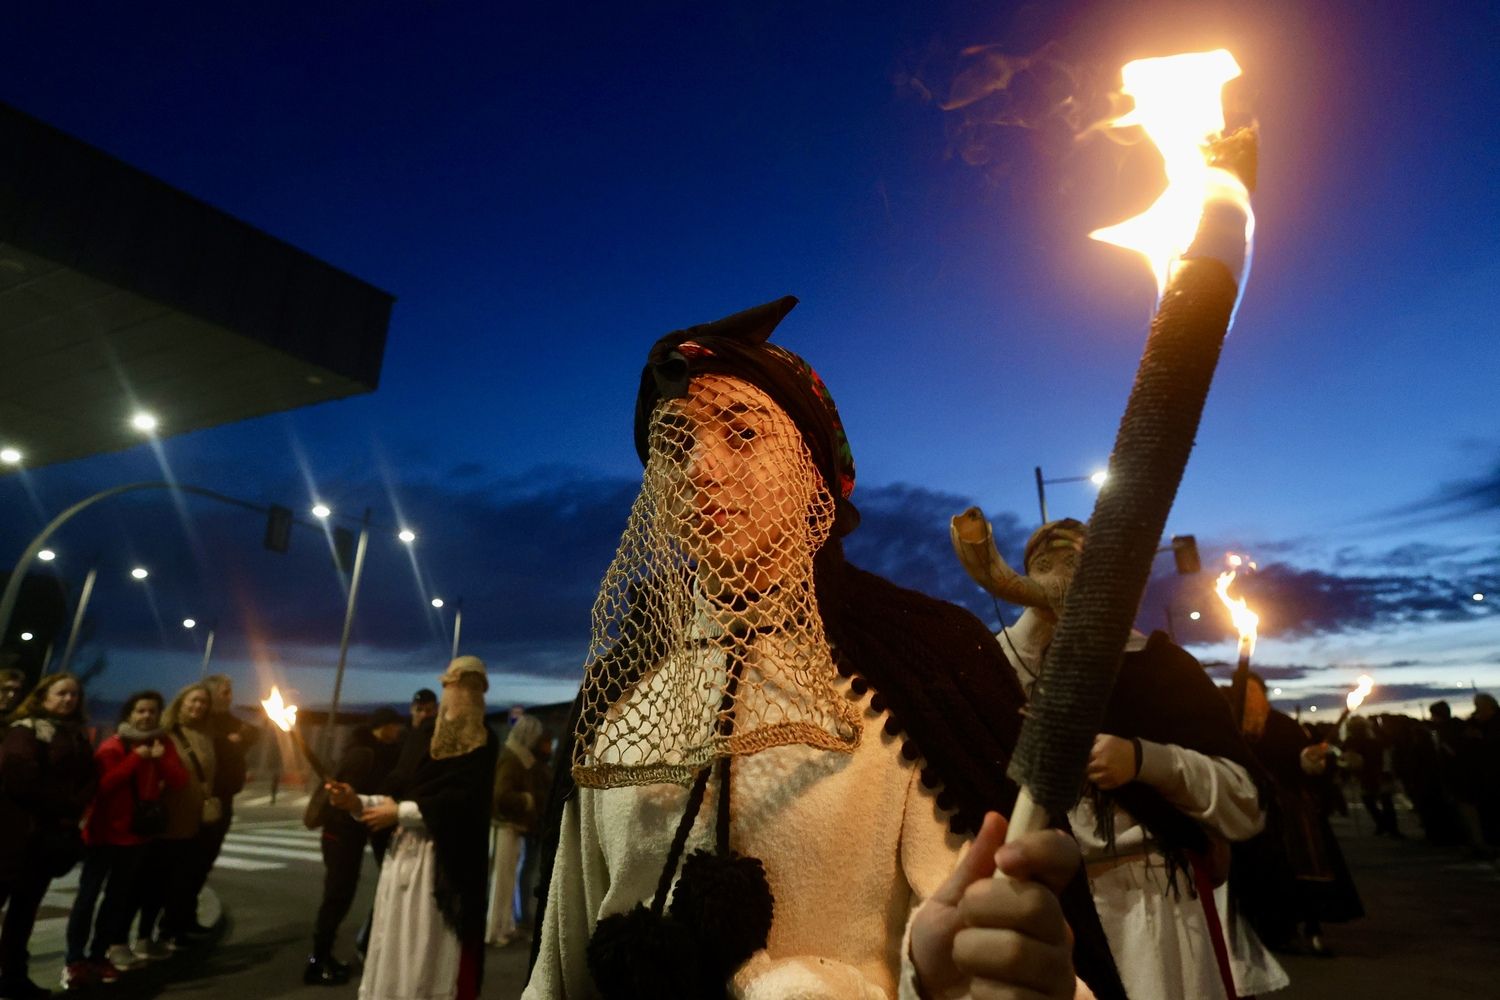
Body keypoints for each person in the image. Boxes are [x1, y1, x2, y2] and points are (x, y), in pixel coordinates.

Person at [525, 297, 1125, 1000]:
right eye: (676, 445)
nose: (700, 469)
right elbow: (559, 960)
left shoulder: (923, 662)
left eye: (742, 434)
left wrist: (934, 974)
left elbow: (977, 950)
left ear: (816, 472)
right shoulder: (619, 690)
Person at [956, 515, 1286, 999]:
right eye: (1047, 564)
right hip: (1044, 910)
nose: (1066, 574)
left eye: (1081, 562)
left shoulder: (1160, 666)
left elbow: (1245, 799)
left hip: (1159, 909)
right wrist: (1039, 613)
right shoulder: (997, 668)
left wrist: (1145, 760)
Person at [327, 657, 499, 1000]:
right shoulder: (422, 736)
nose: (462, 693)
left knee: (429, 949)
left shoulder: (484, 742)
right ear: (445, 686)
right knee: (393, 943)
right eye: (455, 684)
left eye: (472, 686)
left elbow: (464, 804)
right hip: (404, 856)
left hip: (443, 864)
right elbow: (396, 791)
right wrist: (357, 802)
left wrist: (400, 813)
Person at [63, 690, 190, 989]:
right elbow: (103, 786)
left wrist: (161, 760)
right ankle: (74, 960)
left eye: (152, 711)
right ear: (129, 714)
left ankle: (99, 955)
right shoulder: (113, 745)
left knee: (116, 902)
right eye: (141, 711)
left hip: (135, 837)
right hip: (103, 835)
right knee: (87, 899)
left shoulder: (162, 744)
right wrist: (137, 758)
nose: (147, 716)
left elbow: (179, 781)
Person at [1233, 672, 1363, 956]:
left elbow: (1300, 758)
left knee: (1300, 867)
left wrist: (1309, 760)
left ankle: (1310, 925)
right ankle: (1272, 928)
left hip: (1289, 811)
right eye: (1243, 692)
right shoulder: (1230, 726)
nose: (1249, 699)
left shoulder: (1281, 725)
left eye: (1254, 693)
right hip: (1249, 809)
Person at [0, 673, 97, 1000]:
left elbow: (89, 778)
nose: (68, 700)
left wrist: (74, 806)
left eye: (74, 694)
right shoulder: (26, 730)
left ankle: (13, 977)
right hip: (13, 836)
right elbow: (19, 777)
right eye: (61, 693)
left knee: (24, 913)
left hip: (47, 841)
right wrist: (65, 804)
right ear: (43, 696)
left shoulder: (78, 737)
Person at [305, 707, 406, 986]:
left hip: (354, 833)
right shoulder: (364, 754)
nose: (399, 731)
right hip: (341, 834)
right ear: (383, 726)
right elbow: (348, 800)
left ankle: (325, 955)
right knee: (337, 896)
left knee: (341, 895)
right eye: (396, 725)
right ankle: (317, 961)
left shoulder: (379, 751)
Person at [135, 683, 215, 954]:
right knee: (155, 884)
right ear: (181, 702)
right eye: (193, 701)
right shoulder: (167, 734)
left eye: (203, 702)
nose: (198, 706)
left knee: (179, 882)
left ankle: (170, 931)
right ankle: (144, 937)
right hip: (167, 819)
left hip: (191, 822)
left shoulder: (205, 735)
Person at [487, 714, 547, 947]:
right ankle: (495, 930)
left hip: (510, 826)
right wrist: (528, 800)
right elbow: (501, 795)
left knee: (506, 880)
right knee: (502, 881)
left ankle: (504, 926)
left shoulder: (516, 757)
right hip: (506, 826)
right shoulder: (513, 759)